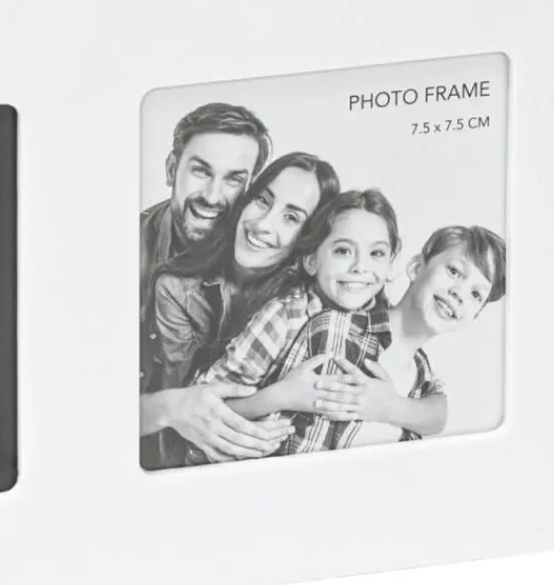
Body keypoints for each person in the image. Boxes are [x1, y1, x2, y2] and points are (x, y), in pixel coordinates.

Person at [141, 152, 340, 467]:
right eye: (262, 200)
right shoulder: (177, 288)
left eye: (291, 217)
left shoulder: (308, 300)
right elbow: (184, 409)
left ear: (310, 237)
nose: (262, 224)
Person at [187, 188, 402, 462]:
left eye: (377, 253)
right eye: (343, 251)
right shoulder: (285, 315)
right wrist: (280, 396)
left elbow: (434, 407)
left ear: (390, 263)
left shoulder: (382, 321)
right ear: (311, 261)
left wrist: (397, 408)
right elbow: (205, 407)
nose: (360, 266)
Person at [274, 224, 507, 454]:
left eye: (476, 294)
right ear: (416, 268)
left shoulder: (423, 381)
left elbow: (438, 418)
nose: (459, 293)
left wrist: (392, 408)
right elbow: (272, 428)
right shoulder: (334, 329)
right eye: (454, 271)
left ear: (474, 317)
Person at [138, 102, 274, 467]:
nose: (213, 197)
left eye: (233, 180)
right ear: (172, 168)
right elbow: (72, 406)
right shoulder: (118, 252)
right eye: (201, 171)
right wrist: (167, 408)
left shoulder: (266, 257)